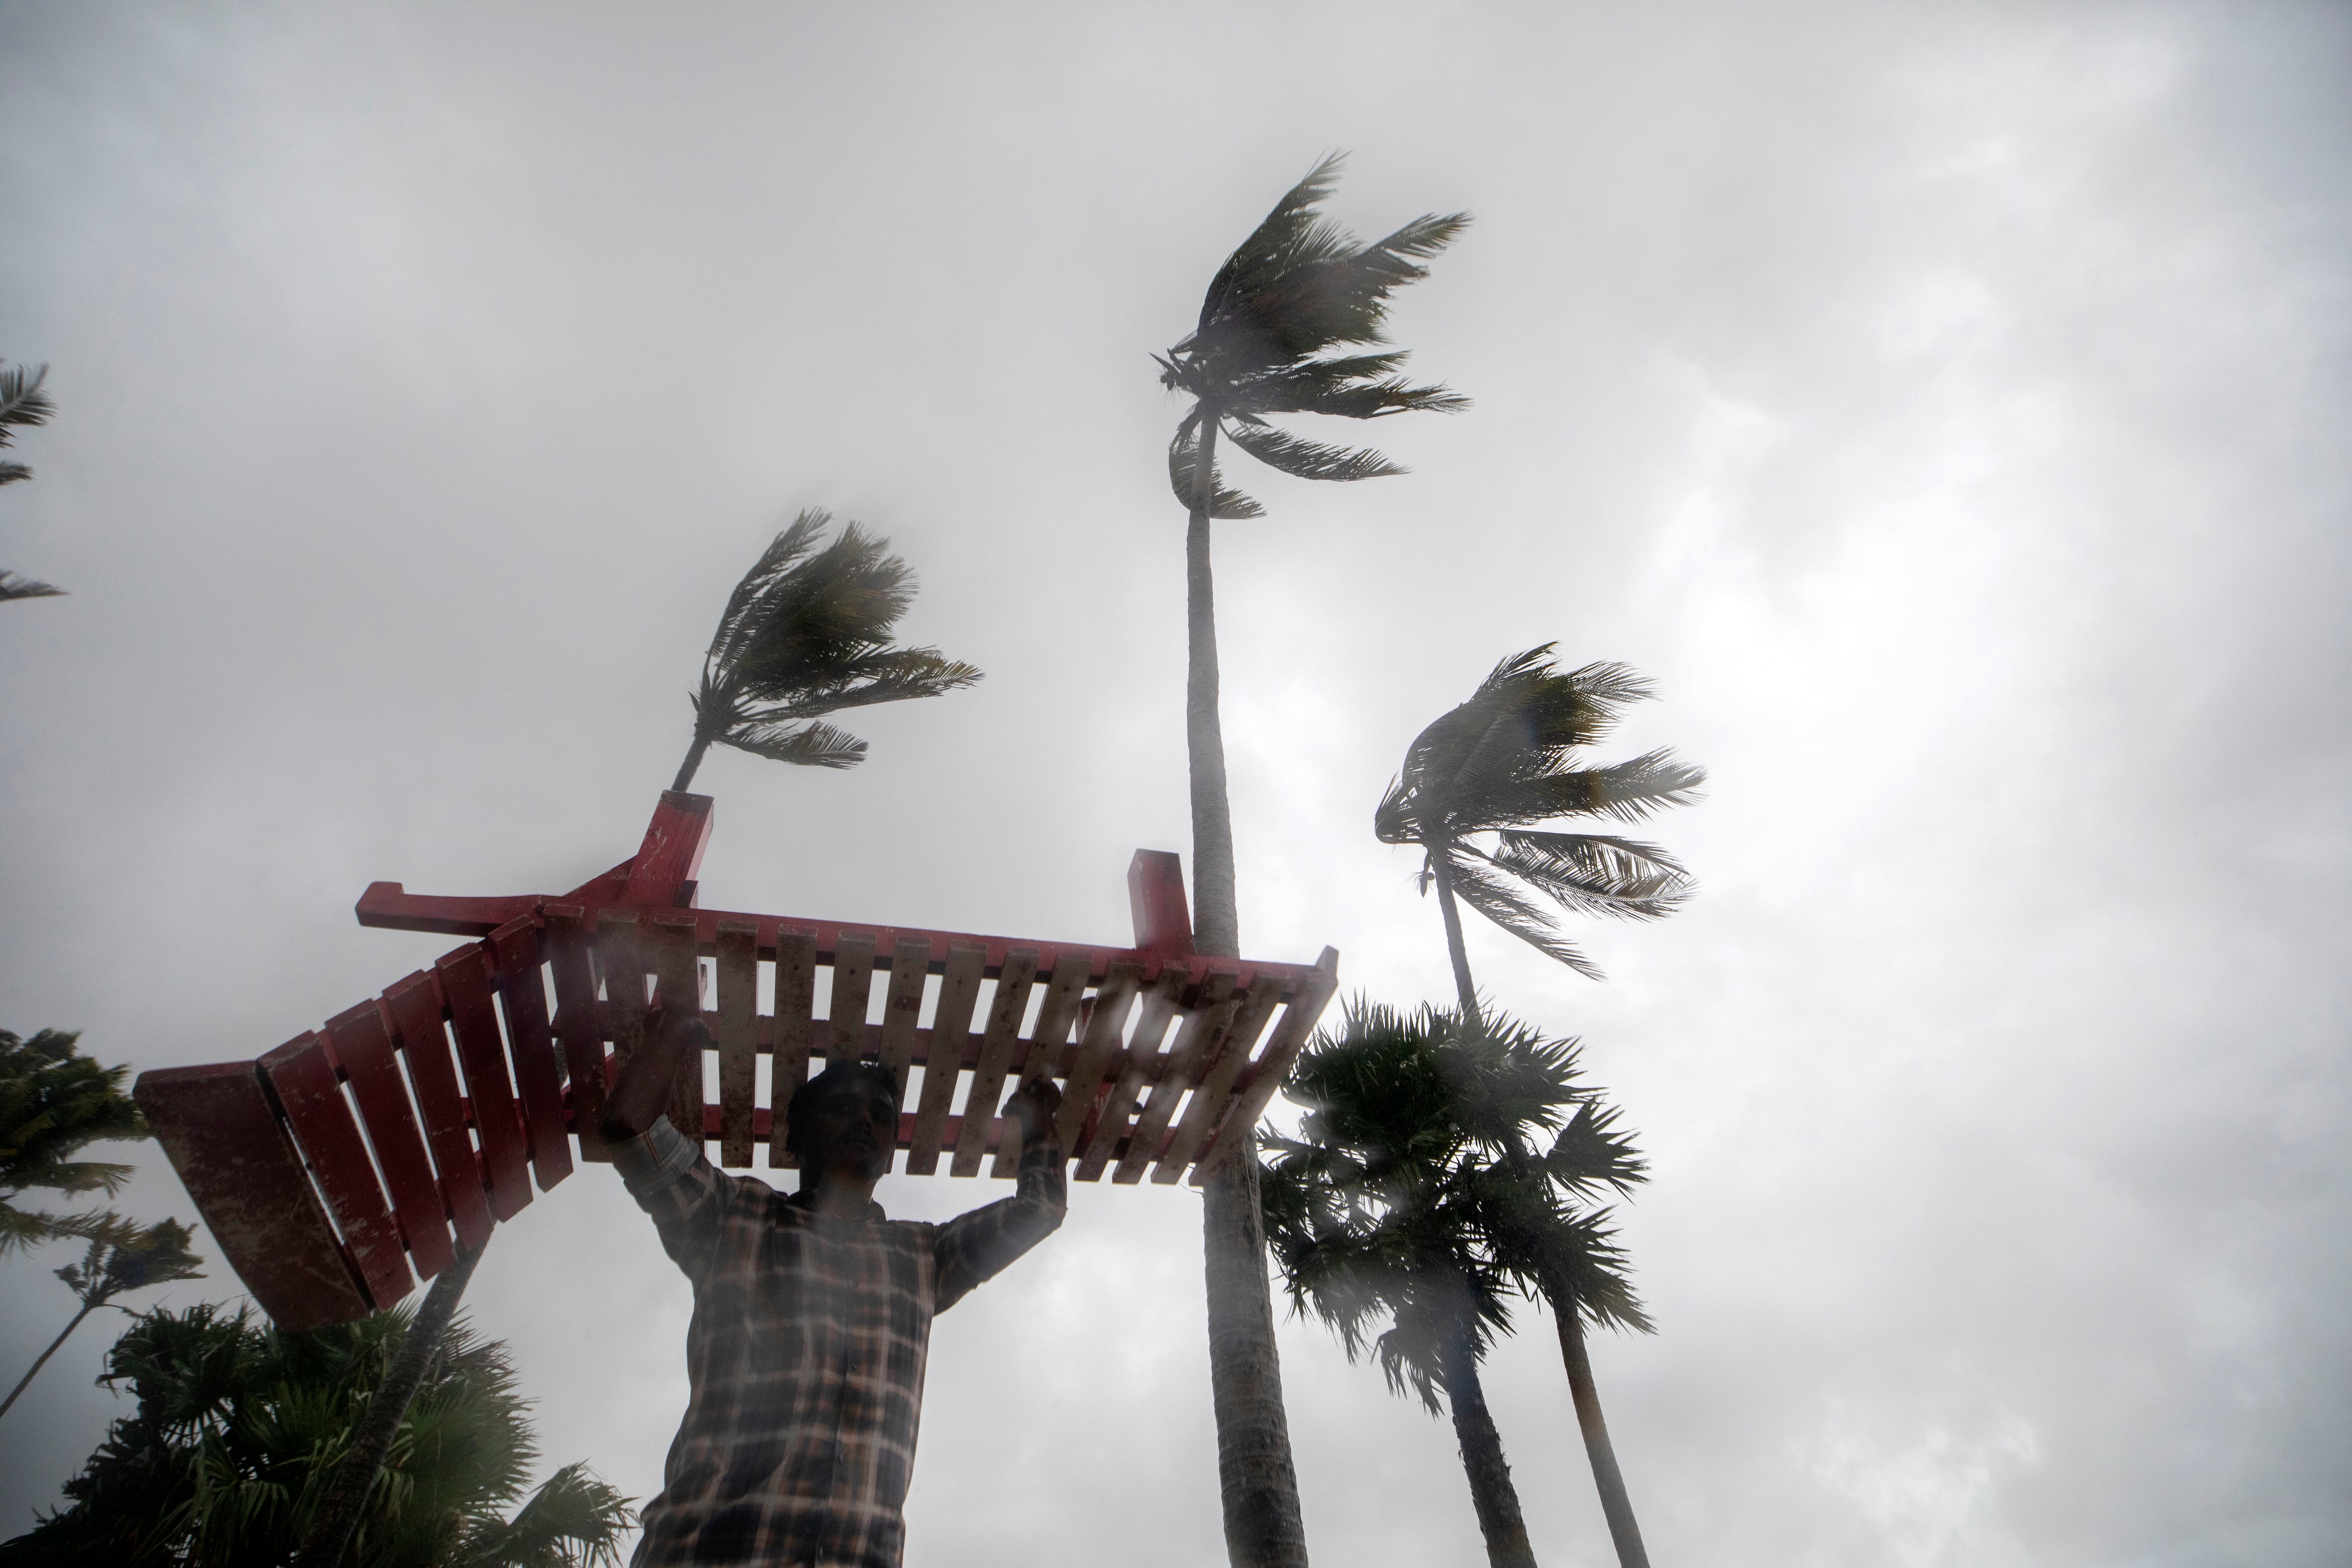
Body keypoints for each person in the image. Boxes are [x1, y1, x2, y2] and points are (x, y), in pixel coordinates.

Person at [601, 1009, 1066, 1568]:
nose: (864, 1122)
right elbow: (631, 1127)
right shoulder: (732, 1218)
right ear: (796, 1137)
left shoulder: (922, 1257)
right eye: (842, 1108)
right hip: (710, 1551)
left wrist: (1037, 1126)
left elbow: (1038, 1209)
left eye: (880, 1115)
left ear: (892, 1149)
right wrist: (672, 1032)